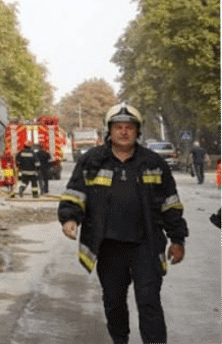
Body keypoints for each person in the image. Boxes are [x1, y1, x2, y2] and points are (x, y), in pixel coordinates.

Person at [58, 103, 187, 344]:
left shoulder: (154, 163)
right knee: (114, 301)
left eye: (129, 127)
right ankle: (120, 340)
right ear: (109, 130)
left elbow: (171, 204)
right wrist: (70, 219)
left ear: (137, 131)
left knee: (149, 301)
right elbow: (75, 194)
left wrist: (177, 240)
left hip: (146, 246)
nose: (124, 132)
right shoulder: (92, 161)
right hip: (108, 247)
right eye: (118, 127)